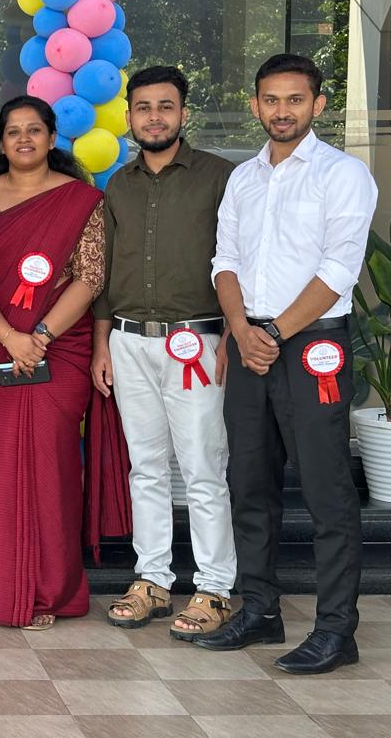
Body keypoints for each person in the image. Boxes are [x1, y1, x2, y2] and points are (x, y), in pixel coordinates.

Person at [200, 54, 376, 674]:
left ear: (318, 104)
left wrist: (271, 331)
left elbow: (337, 270)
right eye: (271, 100)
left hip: (311, 347)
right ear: (255, 105)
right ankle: (260, 609)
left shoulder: (343, 174)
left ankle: (337, 630)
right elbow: (223, 262)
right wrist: (243, 330)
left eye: (294, 100)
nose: (282, 111)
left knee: (327, 489)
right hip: (251, 344)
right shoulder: (244, 179)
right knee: (248, 483)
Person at [90, 66, 238, 640]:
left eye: (166, 106)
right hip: (129, 341)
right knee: (145, 467)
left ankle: (214, 588)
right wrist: (103, 343)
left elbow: (237, 258)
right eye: (144, 107)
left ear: (183, 113)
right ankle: (152, 579)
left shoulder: (219, 177)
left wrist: (231, 330)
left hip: (195, 343)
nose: (154, 116)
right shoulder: (118, 185)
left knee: (203, 467)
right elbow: (107, 272)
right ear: (128, 116)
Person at [0, 96, 106, 630]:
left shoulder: (82, 200)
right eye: (12, 132)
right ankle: (14, 593)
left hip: (60, 352)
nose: (23, 139)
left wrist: (41, 336)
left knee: (54, 470)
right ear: (1, 143)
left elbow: (90, 277)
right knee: (4, 469)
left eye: (34, 130)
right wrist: (8, 336)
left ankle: (56, 591)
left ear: (53, 138)